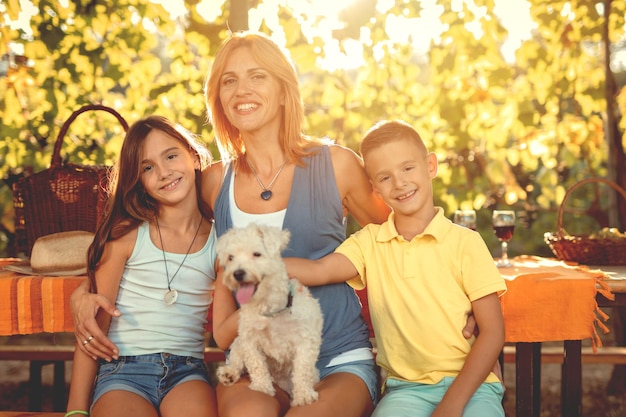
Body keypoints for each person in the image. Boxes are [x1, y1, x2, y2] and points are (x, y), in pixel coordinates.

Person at [69, 31, 480, 417]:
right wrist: (85, 291)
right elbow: (149, 228)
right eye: (228, 81)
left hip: (336, 356)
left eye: (257, 76)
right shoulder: (213, 181)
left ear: (284, 89)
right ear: (219, 99)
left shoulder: (336, 165)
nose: (242, 90)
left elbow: (406, 232)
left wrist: (460, 294)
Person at [285, 119, 507, 417]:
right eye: (385, 177)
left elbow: (492, 332)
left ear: (430, 165)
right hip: (406, 390)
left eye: (407, 168)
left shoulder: (466, 242)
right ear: (374, 188)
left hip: (474, 386)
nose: (400, 183)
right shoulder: (368, 242)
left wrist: (452, 405)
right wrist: (261, 263)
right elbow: (321, 270)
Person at [65, 116, 218, 417]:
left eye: (171, 156)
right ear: (139, 182)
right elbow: (92, 329)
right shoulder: (127, 234)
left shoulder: (220, 240)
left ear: (195, 158)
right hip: (122, 372)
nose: (164, 172)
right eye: (148, 167)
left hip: (186, 372)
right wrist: (75, 411)